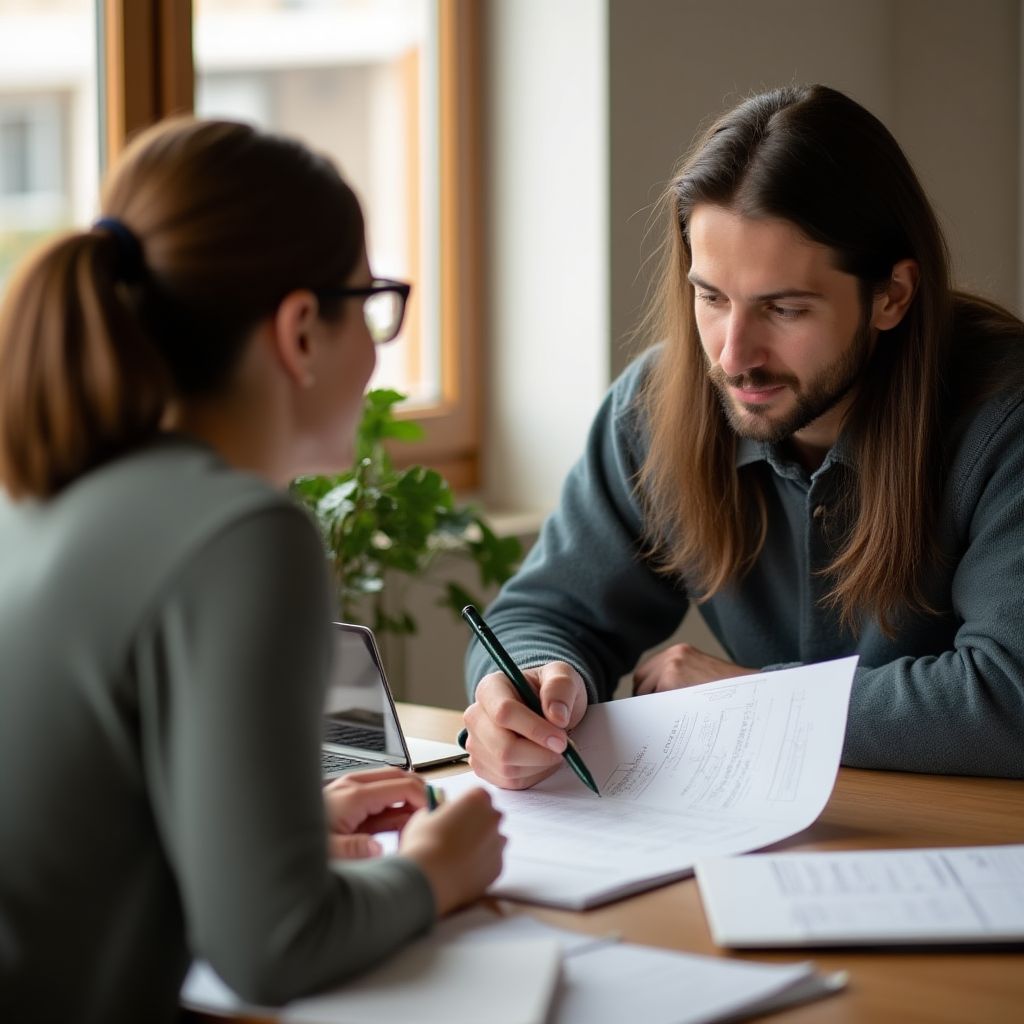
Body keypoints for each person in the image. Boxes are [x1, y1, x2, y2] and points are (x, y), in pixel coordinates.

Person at [0, 118, 504, 1024]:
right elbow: (275, 947)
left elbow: (78, 831)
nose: (379, 346)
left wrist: (284, 834)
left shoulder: (43, 492)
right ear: (301, 329)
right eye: (372, 302)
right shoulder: (242, 534)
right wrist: (437, 873)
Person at [463, 83, 1024, 789]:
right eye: (711, 298)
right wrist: (529, 683)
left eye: (783, 308)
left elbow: (1011, 696)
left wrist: (753, 701)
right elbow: (547, 612)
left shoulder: (1006, 418)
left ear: (892, 296)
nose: (732, 356)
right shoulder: (654, 408)